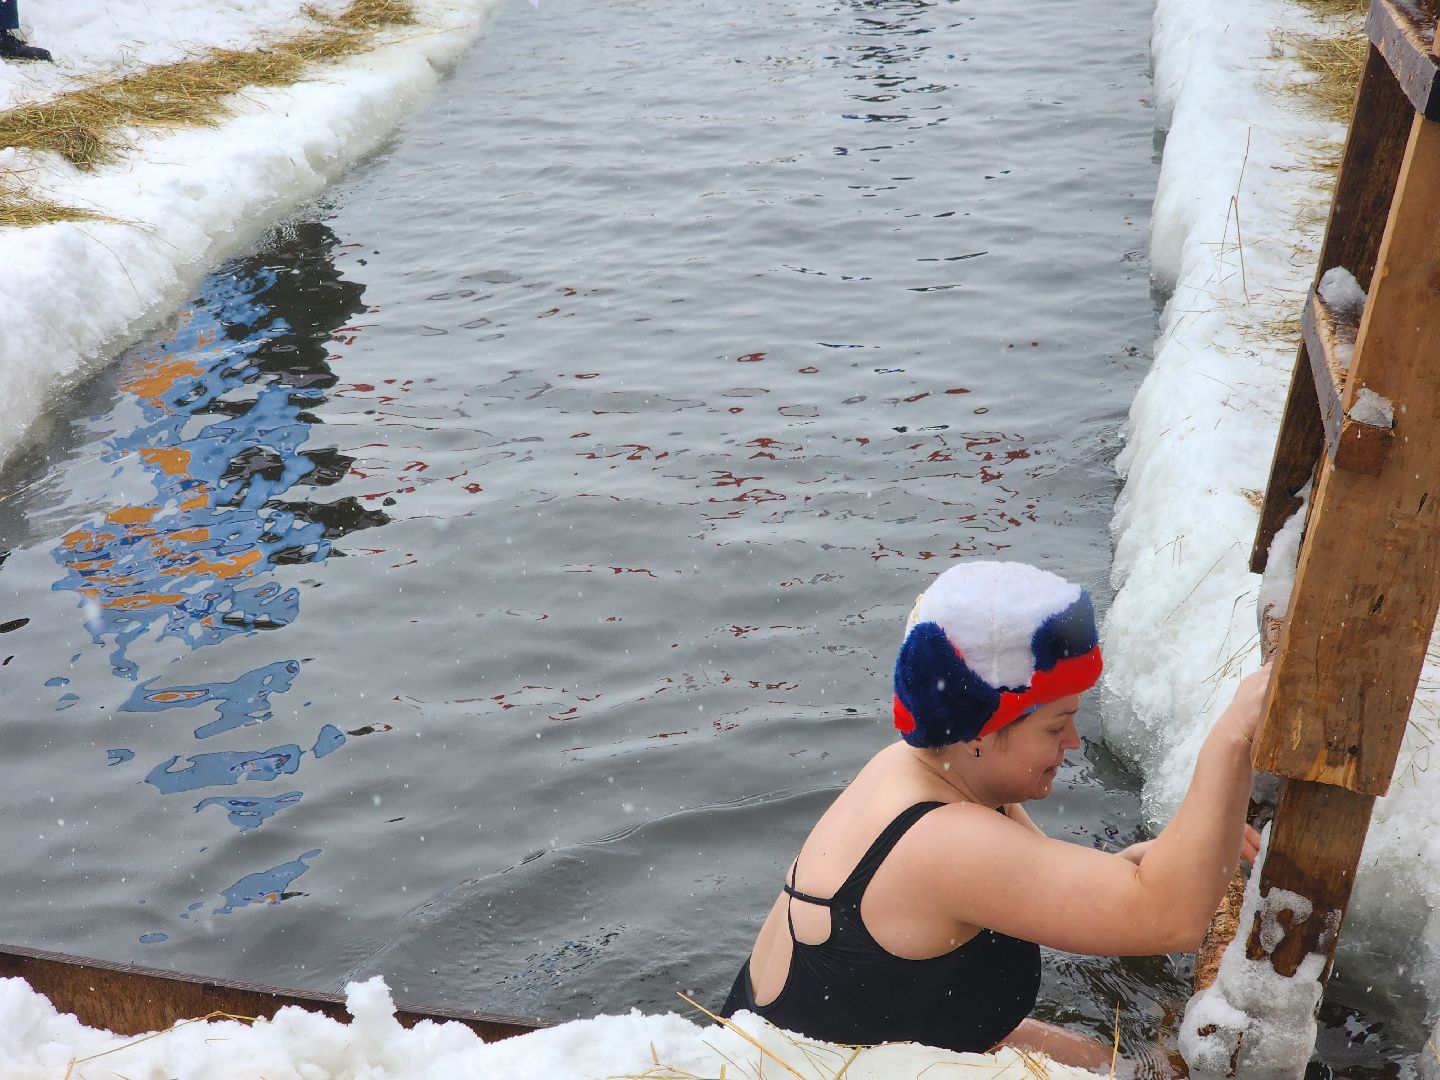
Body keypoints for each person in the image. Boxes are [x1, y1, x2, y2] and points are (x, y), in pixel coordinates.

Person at [720, 560, 1266, 1070]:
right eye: (1055, 727)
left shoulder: (927, 770)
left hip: (862, 1041)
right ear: (981, 728)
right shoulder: (943, 839)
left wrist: (1127, 869)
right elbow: (1171, 919)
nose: (1073, 741)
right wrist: (1231, 737)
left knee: (1113, 1062)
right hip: (812, 1069)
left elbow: (1041, 883)